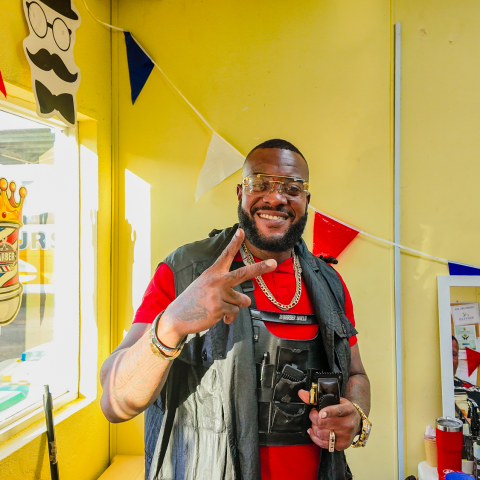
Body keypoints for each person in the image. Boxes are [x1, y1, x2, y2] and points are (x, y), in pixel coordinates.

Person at [100, 139, 372, 480]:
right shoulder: (184, 271)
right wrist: (171, 324)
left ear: (306, 200)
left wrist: (357, 416)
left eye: (292, 188)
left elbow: (357, 375)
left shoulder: (330, 282)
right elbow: (115, 403)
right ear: (240, 192)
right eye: (260, 184)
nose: (275, 198)